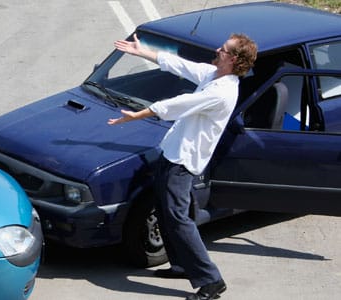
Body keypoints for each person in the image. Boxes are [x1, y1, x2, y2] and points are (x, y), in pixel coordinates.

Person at [108, 33, 257, 300]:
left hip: (183, 162)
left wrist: (139, 114)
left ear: (233, 59)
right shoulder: (214, 75)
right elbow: (179, 64)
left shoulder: (221, 91)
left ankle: (211, 281)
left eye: (222, 49)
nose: (216, 49)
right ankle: (180, 265)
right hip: (173, 153)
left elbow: (180, 104)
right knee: (168, 212)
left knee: (178, 218)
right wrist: (141, 52)